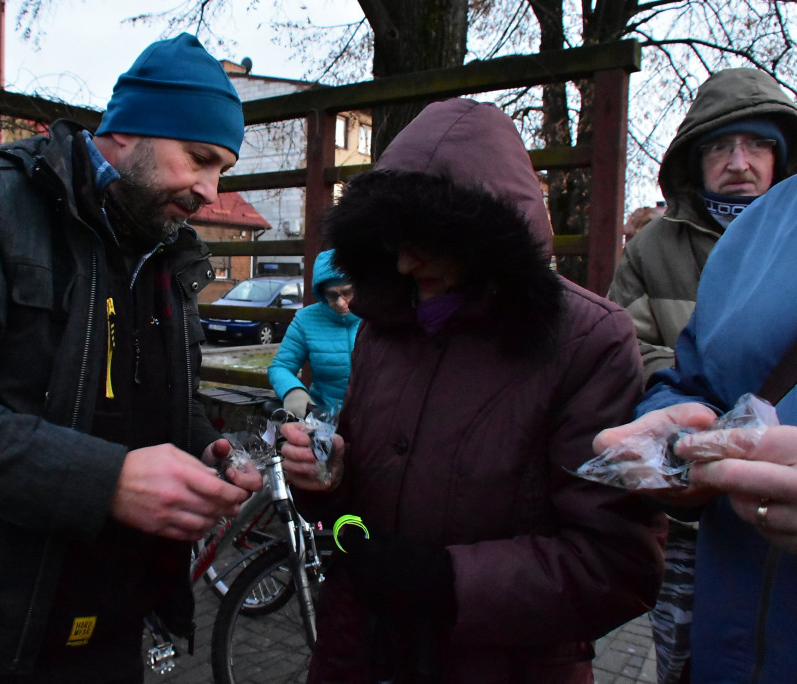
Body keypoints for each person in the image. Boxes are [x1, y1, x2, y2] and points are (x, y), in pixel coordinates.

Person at [0, 33, 262, 682]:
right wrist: (105, 481)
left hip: (107, 623)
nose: (209, 191)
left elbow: (141, 400)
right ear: (129, 131)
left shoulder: (167, 252)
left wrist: (202, 449)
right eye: (199, 158)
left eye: (222, 171)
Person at [278, 98, 666, 683]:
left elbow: (618, 564)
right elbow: (353, 496)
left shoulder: (589, 341)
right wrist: (326, 478)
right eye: (393, 239)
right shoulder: (383, 327)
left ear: (488, 235)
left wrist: (444, 582)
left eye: (429, 239)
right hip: (360, 651)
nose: (407, 263)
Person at [605, 67, 797, 684]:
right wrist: (678, 411)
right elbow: (630, 344)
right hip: (694, 517)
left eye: (757, 144)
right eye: (720, 145)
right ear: (694, 160)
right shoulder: (653, 245)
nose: (739, 162)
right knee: (680, 655)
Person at [267, 249, 360, 418]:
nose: (340, 302)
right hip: (323, 418)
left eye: (347, 292)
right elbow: (281, 366)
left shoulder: (377, 316)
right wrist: (292, 390)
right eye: (332, 295)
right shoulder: (306, 319)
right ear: (321, 293)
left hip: (374, 419)